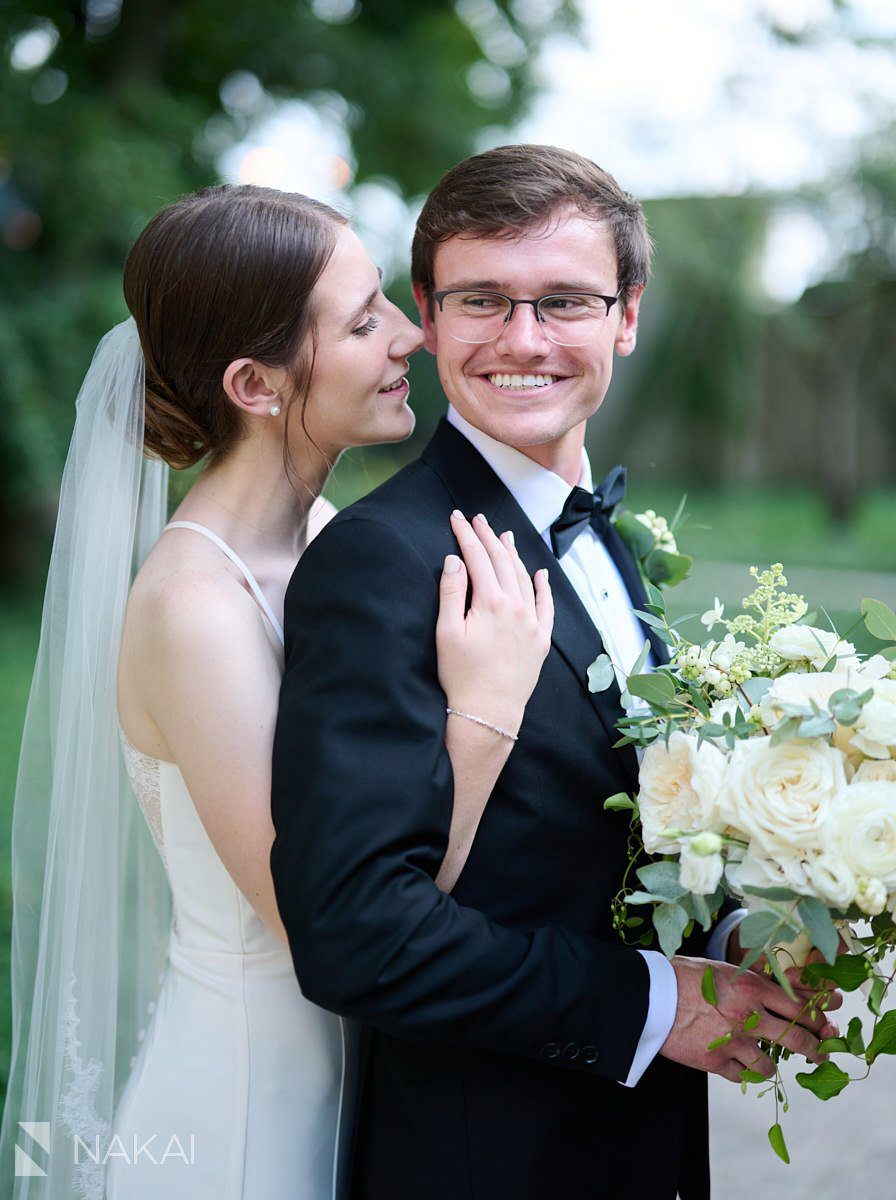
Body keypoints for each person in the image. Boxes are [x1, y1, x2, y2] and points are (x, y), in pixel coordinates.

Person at [270, 145, 840, 1200]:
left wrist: (745, 933)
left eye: (564, 302)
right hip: (481, 1157)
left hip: (637, 1151)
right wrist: (653, 1005)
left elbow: (609, 841)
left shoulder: (606, 539)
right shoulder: (379, 562)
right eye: (481, 300)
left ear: (625, 315)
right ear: (427, 321)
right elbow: (355, 934)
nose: (521, 340)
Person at [0, 184, 553, 1200]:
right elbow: (334, 926)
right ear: (256, 383)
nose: (410, 338)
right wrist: (485, 713)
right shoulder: (192, 609)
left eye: (388, 300)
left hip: (372, 1089)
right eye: (362, 320)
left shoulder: (328, 539)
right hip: (250, 1120)